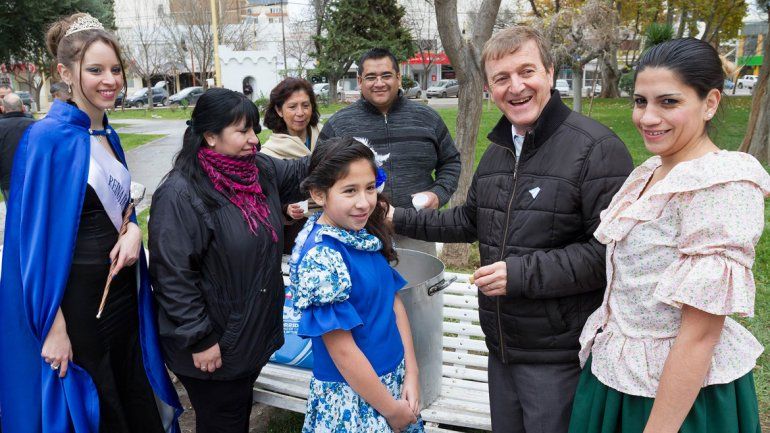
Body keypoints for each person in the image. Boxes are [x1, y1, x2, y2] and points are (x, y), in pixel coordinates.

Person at [388, 26, 634, 432]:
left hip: (557, 355)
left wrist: (519, 274)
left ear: (550, 72)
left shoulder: (597, 149)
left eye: (526, 72)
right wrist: (395, 217)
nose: (515, 87)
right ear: (488, 87)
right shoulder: (500, 149)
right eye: (501, 78)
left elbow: (609, 254)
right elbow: (470, 220)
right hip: (502, 349)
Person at [568, 37, 767, 433]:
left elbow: (699, 336)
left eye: (669, 102)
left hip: (678, 402)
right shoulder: (651, 172)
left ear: (709, 103)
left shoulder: (721, 186)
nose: (647, 117)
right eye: (641, 101)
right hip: (617, 379)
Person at [0, 13, 181, 433]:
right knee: (97, 400)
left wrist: (134, 230)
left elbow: (120, 212)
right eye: (95, 69)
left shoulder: (107, 133)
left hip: (119, 291)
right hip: (74, 303)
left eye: (115, 69)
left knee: (128, 382)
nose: (110, 80)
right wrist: (52, 329)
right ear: (65, 73)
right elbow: (30, 245)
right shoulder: (45, 139)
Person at [148, 88, 309, 433]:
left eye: (254, 129)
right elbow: (172, 276)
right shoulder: (181, 193)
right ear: (209, 136)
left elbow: (299, 173)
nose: (255, 139)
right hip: (212, 346)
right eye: (242, 131)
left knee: (235, 416)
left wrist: (349, 153)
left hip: (245, 337)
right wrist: (201, 340)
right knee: (223, 422)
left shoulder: (256, 170)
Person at [290, 137, 422, 432]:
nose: (364, 202)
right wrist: (392, 410)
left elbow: (393, 303)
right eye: (350, 191)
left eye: (370, 187)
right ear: (319, 194)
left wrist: (412, 372)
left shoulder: (360, 234)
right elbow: (343, 351)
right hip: (355, 399)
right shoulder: (322, 256)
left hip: (393, 382)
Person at [319, 47, 461, 255]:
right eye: (370, 77)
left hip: (417, 231)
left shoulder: (427, 118)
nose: (379, 83)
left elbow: (451, 162)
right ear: (360, 81)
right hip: (358, 236)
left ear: (398, 78)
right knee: (367, 288)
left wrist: (438, 194)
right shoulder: (338, 125)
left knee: (419, 286)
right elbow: (319, 175)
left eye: (386, 75)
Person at [262, 77, 322, 253]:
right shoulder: (269, 153)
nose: (300, 112)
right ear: (279, 110)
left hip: (334, 223)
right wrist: (286, 209)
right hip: (296, 234)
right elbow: (267, 201)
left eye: (305, 105)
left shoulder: (326, 135)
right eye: (292, 106)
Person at [0, 93, 34, 200]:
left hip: (9, 180)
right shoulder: (36, 124)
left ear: (3, 108)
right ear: (23, 107)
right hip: (33, 177)